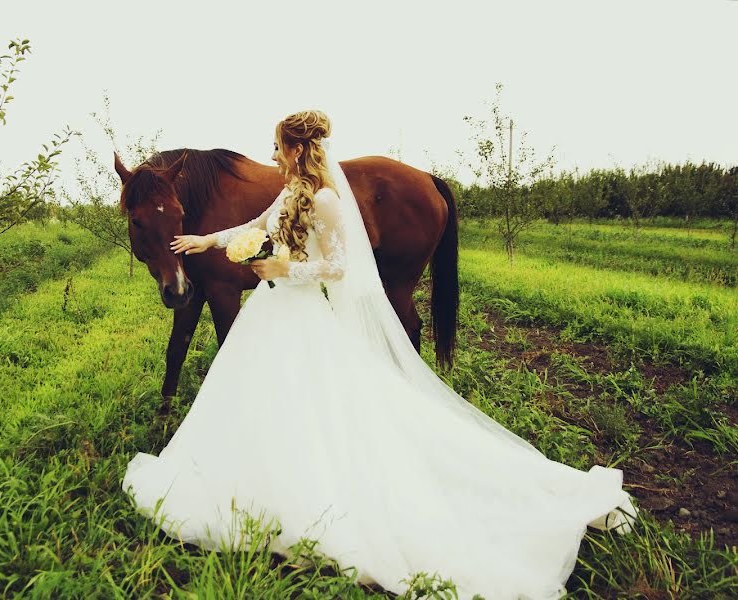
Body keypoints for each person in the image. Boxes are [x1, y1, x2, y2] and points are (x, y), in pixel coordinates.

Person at [122, 110, 637, 599]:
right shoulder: (288, 193)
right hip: (271, 315)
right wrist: (205, 239)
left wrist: (284, 272)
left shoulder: (325, 201)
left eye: (278, 148)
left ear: (297, 148)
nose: (272, 156)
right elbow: (253, 227)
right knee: (259, 397)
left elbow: (339, 268)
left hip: (296, 307)